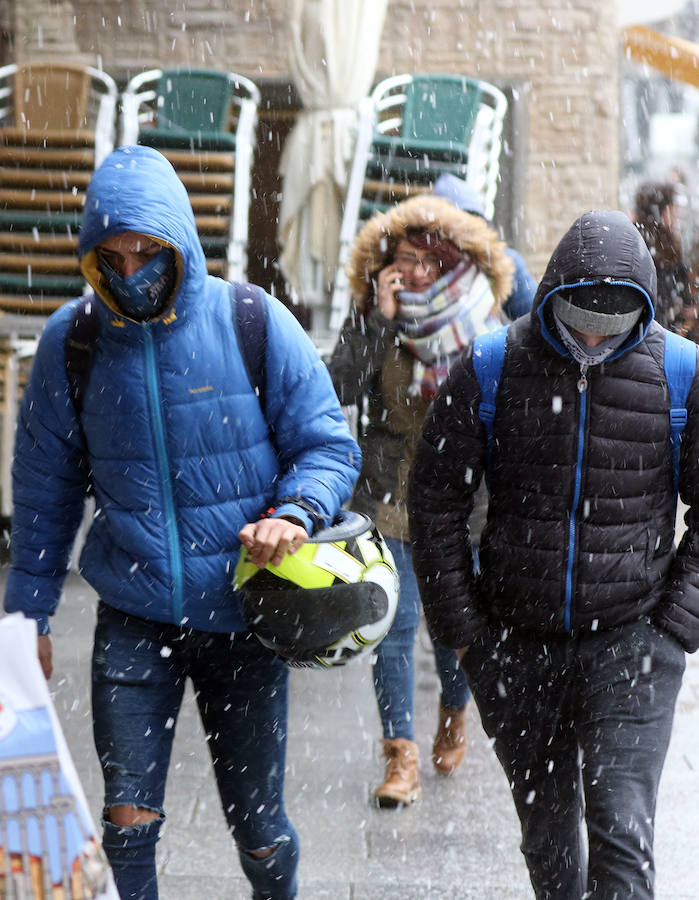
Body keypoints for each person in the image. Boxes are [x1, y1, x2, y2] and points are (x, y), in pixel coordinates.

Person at [3, 145, 361, 900]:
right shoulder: (73, 342)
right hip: (133, 614)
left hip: (246, 612)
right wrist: (27, 614)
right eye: (112, 257)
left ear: (180, 244)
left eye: (148, 252)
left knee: (259, 833)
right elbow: (44, 490)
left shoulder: (251, 320)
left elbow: (327, 445)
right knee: (127, 821)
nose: (131, 271)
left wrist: (294, 513)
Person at [409, 209, 699, 899]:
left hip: (632, 642)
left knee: (621, 831)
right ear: (550, 298)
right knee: (547, 835)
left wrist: (673, 627)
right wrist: (466, 633)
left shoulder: (681, 374)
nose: (592, 339)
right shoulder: (492, 365)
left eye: (610, 324)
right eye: (578, 319)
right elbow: (435, 499)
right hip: (515, 644)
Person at [327, 194, 513, 806]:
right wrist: (378, 321)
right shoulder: (375, 318)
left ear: (448, 264)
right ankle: (399, 755)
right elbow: (337, 387)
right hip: (389, 499)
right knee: (394, 627)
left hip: (463, 509)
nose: (410, 271)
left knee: (452, 632)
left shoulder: (483, 321)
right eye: (401, 260)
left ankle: (455, 714)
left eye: (423, 261)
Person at [432, 173, 536, 321]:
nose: (463, 234)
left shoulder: (505, 262)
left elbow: (536, 321)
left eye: (469, 222)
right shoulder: (424, 263)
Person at [633, 180, 693, 330]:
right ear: (660, 212)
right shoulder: (661, 248)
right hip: (658, 330)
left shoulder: (637, 240)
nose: (675, 215)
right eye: (671, 209)